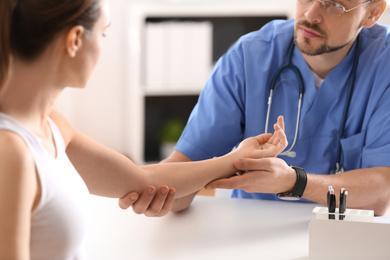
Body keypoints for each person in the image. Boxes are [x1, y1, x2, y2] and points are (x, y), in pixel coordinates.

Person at [0, 0, 288, 258]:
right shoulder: (11, 152)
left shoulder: (52, 127)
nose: (103, 45)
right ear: (75, 40)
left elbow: (143, 178)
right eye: (103, 33)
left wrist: (234, 159)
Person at [119, 0, 390, 217]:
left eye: (333, 4)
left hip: (342, 234)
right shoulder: (249, 57)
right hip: (249, 230)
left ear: (373, 13)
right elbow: (184, 170)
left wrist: (294, 182)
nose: (310, 13)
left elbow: (380, 194)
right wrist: (162, 196)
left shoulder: (383, 67)